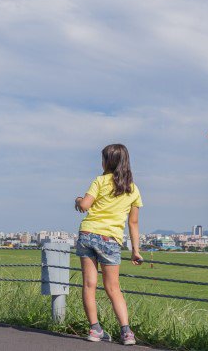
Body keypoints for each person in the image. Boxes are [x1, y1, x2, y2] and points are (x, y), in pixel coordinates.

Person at [74, 144, 144, 346]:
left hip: (88, 234)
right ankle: (126, 332)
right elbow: (133, 223)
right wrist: (135, 251)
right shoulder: (133, 189)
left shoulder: (100, 180)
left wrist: (78, 200)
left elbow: (85, 205)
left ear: (108, 162)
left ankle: (95, 330)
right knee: (113, 288)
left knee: (89, 285)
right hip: (110, 240)